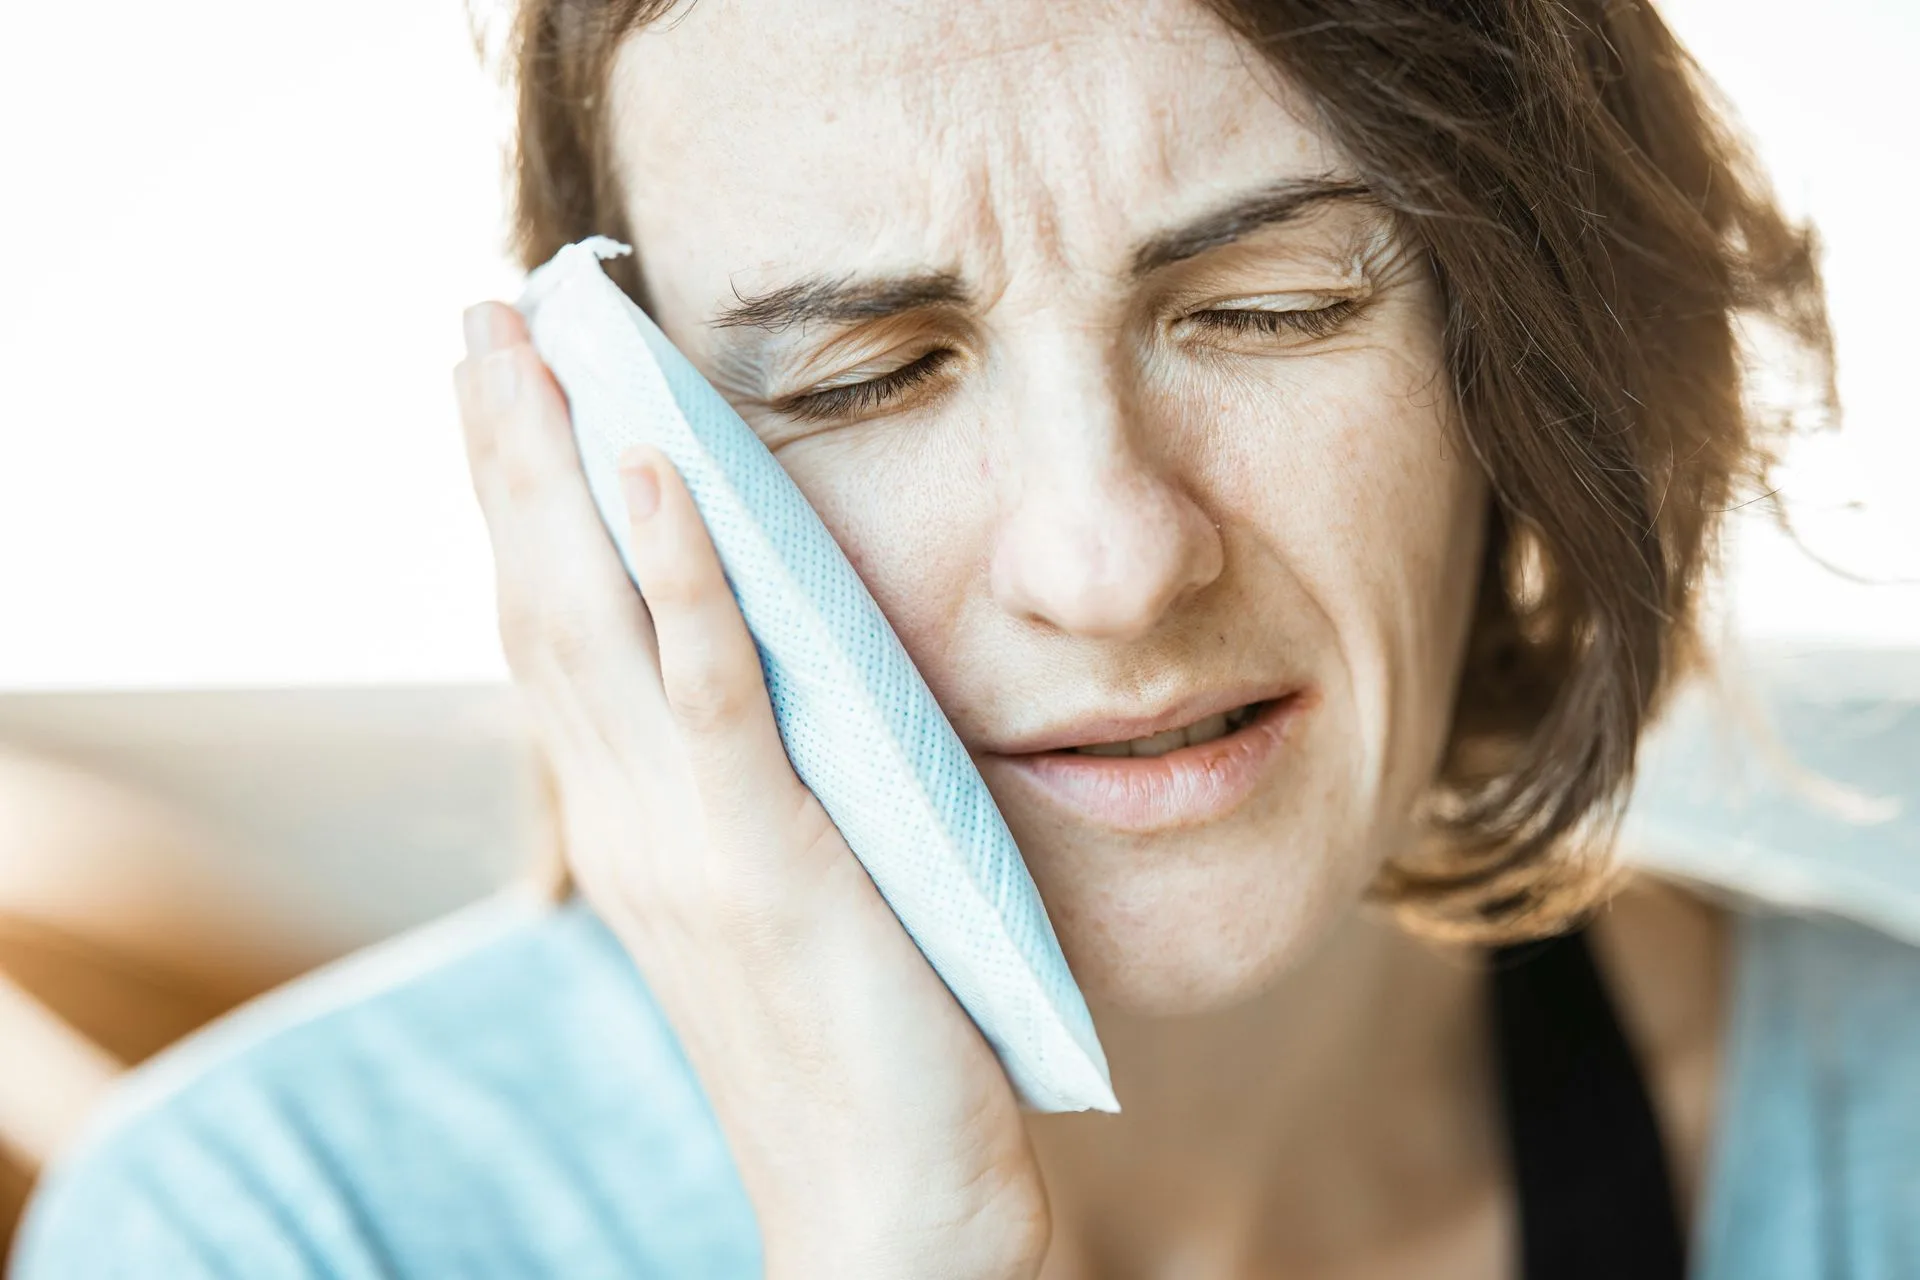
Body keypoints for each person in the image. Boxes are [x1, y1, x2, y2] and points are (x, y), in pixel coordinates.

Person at [13, 0, 1919, 1276]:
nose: (1110, 560)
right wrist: (894, 1236)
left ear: (1527, 358)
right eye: (868, 375)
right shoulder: (277, 1233)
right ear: (622, 461)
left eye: (1266, 309)